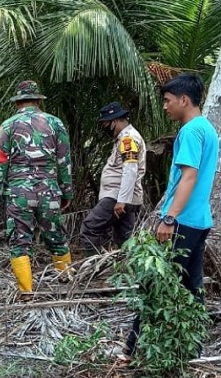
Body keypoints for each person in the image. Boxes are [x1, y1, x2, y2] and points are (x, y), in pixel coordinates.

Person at [126, 73, 219, 355]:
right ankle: (193, 345)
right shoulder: (208, 129)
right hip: (199, 220)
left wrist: (169, 218)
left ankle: (131, 347)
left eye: (167, 101)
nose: (165, 107)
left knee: (155, 282)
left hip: (182, 220)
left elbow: (189, 176)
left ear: (184, 99)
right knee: (191, 286)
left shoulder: (191, 131)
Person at [0, 80, 73, 292]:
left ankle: (26, 292)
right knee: (56, 236)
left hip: (18, 193)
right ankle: (67, 283)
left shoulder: (7, 126)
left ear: (18, 102)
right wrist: (66, 192)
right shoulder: (56, 123)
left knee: (19, 242)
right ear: (38, 100)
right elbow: (64, 161)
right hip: (49, 190)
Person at [80, 102, 146, 254]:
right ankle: (130, 273)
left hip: (117, 197)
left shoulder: (128, 139)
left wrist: (121, 200)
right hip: (126, 197)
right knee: (125, 241)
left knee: (89, 228)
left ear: (114, 121)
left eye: (105, 125)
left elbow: (130, 169)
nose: (104, 129)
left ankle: (94, 268)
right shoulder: (126, 138)